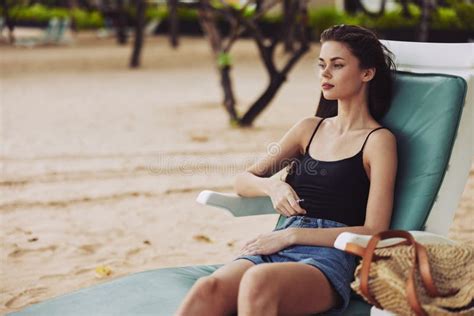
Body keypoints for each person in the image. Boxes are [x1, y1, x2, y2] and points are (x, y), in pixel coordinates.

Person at [175, 24, 398, 316]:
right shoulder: (309, 128)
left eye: (337, 65)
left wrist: (292, 236)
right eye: (321, 65)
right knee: (207, 289)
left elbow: (375, 231)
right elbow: (244, 180)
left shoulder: (378, 141)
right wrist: (274, 186)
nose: (325, 73)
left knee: (258, 282)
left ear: (366, 73)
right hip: (277, 243)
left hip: (331, 255)